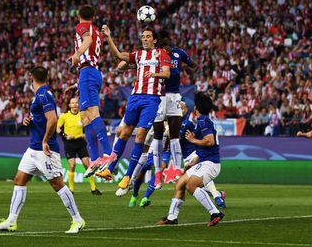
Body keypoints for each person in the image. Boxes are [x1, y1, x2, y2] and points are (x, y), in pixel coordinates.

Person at [0, 67, 85, 233]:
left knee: (57, 184)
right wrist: (29, 119)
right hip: (32, 149)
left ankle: (78, 220)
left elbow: (53, 119)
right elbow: (42, 118)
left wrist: (45, 141)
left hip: (44, 150)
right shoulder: (40, 95)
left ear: (30, 77)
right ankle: (11, 221)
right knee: (19, 180)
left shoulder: (44, 95)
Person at [95, 25, 171, 190]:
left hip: (152, 99)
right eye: (143, 36)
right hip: (135, 97)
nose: (145, 39)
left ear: (155, 40)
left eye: (148, 36)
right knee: (123, 132)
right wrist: (108, 36)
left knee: (140, 134)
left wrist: (154, 74)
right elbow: (118, 56)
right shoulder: (138, 54)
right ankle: (109, 169)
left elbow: (166, 74)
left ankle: (128, 176)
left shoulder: (161, 53)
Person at [157, 92, 224, 227]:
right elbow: (208, 145)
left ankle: (215, 213)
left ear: (196, 108)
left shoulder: (203, 121)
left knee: (191, 185)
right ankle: (172, 218)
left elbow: (210, 142)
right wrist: (196, 159)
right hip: (203, 160)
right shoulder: (202, 121)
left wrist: (193, 140)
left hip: (211, 163)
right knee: (180, 184)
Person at [69, 5, 116, 176]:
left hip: (88, 72)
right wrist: (78, 84)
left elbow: (86, 42)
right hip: (87, 74)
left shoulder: (82, 27)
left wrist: (76, 53)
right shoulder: (97, 31)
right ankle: (95, 158)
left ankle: (108, 153)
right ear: (93, 17)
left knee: (93, 114)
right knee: (84, 117)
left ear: (79, 15)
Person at [151, 31, 198, 189]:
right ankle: (158, 173)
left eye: (169, 46)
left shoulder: (180, 53)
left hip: (174, 96)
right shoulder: (154, 55)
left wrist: (190, 67)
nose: (168, 49)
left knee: (174, 135)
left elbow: (192, 64)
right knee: (158, 136)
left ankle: (177, 169)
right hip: (158, 97)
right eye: (164, 47)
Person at [57, 97, 102, 195]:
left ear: (78, 105)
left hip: (80, 142)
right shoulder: (64, 116)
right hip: (69, 143)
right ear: (69, 105)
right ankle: (71, 189)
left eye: (76, 103)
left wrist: (85, 134)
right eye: (72, 103)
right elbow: (58, 129)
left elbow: (88, 128)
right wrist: (66, 135)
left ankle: (94, 188)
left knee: (87, 165)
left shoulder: (82, 116)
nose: (74, 105)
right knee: (72, 165)